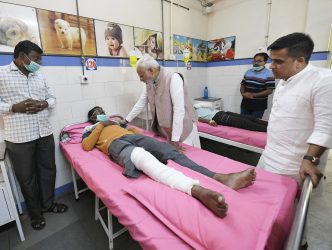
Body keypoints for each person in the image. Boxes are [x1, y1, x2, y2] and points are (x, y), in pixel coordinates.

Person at [82, 106, 256, 218]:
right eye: (96, 114)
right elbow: (87, 146)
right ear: (92, 119)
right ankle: (196, 190)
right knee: (143, 158)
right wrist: (99, 125)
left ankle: (220, 177)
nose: (100, 114)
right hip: (116, 145)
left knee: (170, 152)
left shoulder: (117, 123)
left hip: (132, 136)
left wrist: (127, 129)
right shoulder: (89, 129)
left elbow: (136, 132)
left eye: (101, 111)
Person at [0, 40, 68, 230]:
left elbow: (52, 97)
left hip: (44, 132)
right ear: (23, 57)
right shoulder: (2, 74)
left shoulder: (39, 76)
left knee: (48, 171)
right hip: (19, 138)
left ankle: (48, 205)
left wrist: (44, 104)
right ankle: (35, 214)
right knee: (27, 178)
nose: (39, 63)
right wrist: (14, 107)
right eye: (36, 58)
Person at [125, 55, 200, 151]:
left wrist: (175, 139)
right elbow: (142, 102)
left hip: (183, 130)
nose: (141, 80)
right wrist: (127, 120)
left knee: (190, 158)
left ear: (151, 71)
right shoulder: (149, 82)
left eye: (142, 76)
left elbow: (179, 110)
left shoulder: (173, 78)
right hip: (166, 131)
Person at [240, 52, 275, 118]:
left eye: (259, 61)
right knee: (242, 124)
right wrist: (243, 93)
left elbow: (269, 90)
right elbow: (242, 85)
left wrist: (252, 95)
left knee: (254, 125)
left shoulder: (269, 74)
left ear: (265, 62)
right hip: (245, 104)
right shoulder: (248, 72)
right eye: (254, 61)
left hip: (259, 106)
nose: (256, 63)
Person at [194, 104, 268, 132]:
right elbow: (197, 118)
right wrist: (209, 121)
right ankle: (270, 129)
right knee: (246, 123)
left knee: (249, 118)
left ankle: (270, 124)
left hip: (221, 112)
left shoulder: (195, 106)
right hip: (217, 117)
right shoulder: (187, 113)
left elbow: (208, 105)